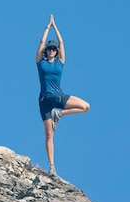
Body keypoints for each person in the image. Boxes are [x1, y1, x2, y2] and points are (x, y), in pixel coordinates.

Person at [36, 14, 90, 176]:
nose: (52, 50)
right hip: (45, 100)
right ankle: (52, 167)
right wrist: (47, 27)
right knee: (49, 135)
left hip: (57, 96)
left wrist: (56, 27)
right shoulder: (41, 62)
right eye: (49, 49)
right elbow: (40, 43)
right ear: (46, 51)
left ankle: (59, 113)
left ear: (57, 51)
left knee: (85, 106)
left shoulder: (60, 62)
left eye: (54, 49)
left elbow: (62, 42)